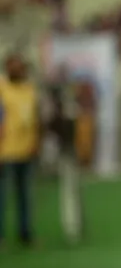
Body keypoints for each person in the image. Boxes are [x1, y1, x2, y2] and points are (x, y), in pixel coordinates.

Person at [0, 53, 40, 247]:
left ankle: (25, 233)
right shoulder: (2, 88)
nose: (18, 69)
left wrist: (35, 141)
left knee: (25, 196)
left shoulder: (29, 89)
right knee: (2, 196)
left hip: (26, 151)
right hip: (5, 152)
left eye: (20, 65)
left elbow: (35, 119)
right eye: (14, 66)